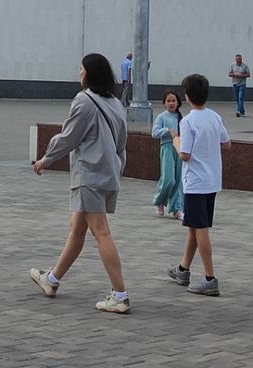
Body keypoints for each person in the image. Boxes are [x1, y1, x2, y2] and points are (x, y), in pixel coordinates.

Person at [29, 52, 131, 314]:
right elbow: (122, 144)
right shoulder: (115, 103)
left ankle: (119, 294)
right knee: (77, 229)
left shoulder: (84, 101)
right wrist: (117, 169)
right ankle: (51, 279)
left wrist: (45, 159)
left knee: (101, 232)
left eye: (81, 69)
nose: (79, 73)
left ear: (88, 73)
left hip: (89, 174)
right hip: (107, 173)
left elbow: (69, 137)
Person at [167, 72, 229, 297]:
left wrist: (176, 141)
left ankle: (210, 277)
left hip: (195, 182)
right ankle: (183, 269)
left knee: (200, 229)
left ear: (187, 96)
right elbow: (227, 142)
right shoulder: (214, 116)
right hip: (212, 180)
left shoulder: (188, 121)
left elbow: (185, 154)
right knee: (195, 226)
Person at [151, 89, 183, 219]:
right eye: (168, 101)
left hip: (179, 149)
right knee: (169, 178)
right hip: (167, 148)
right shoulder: (162, 117)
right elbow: (154, 133)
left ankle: (176, 209)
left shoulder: (181, 118)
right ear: (164, 103)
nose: (171, 103)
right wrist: (167, 130)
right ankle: (159, 201)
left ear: (178, 102)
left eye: (173, 100)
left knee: (178, 180)